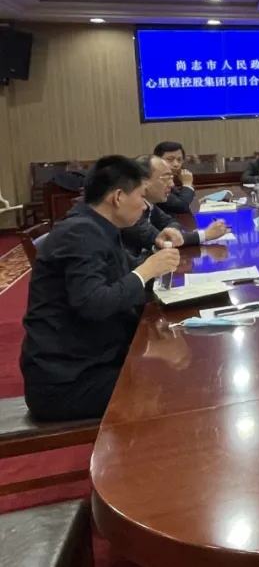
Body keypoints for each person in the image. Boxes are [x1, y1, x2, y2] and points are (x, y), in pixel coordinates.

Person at [20, 156, 181, 422]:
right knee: (171, 387)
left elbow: (124, 278)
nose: (144, 206)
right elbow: (93, 303)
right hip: (67, 381)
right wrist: (147, 271)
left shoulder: (97, 226)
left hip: (92, 359)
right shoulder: (79, 233)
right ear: (117, 197)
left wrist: (156, 264)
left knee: (172, 369)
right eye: (141, 196)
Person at [121, 156, 229, 260]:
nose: (172, 184)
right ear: (143, 182)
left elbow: (170, 222)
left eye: (171, 178)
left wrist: (172, 233)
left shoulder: (149, 203)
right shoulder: (129, 211)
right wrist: (205, 235)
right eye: (166, 178)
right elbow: (159, 240)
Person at [152, 141, 195, 216]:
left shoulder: (170, 179)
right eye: (169, 159)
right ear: (157, 160)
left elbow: (178, 198)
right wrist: (187, 185)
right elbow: (181, 207)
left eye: (179, 160)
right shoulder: (155, 181)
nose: (176, 164)